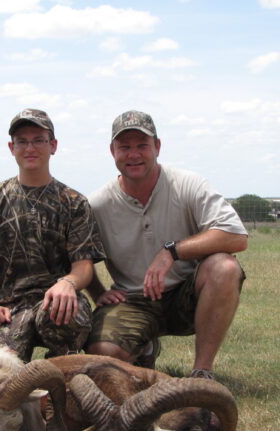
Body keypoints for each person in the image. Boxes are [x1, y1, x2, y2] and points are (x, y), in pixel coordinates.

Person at [86, 110, 248, 379]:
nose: (133, 154)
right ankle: (144, 348)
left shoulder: (188, 184)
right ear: (112, 150)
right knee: (104, 354)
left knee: (224, 267)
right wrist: (97, 292)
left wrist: (172, 251)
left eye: (142, 146)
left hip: (187, 296)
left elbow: (236, 236)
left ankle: (202, 371)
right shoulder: (97, 204)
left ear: (157, 147)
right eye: (124, 147)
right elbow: (80, 256)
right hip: (132, 301)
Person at [0, 108, 105, 362]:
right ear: (11, 147)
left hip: (57, 302)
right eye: (22, 141)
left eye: (38, 140)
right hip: (10, 308)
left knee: (66, 318)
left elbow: (84, 267)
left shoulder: (73, 202)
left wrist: (68, 283)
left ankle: (63, 377)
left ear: (53, 145)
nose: (30, 148)